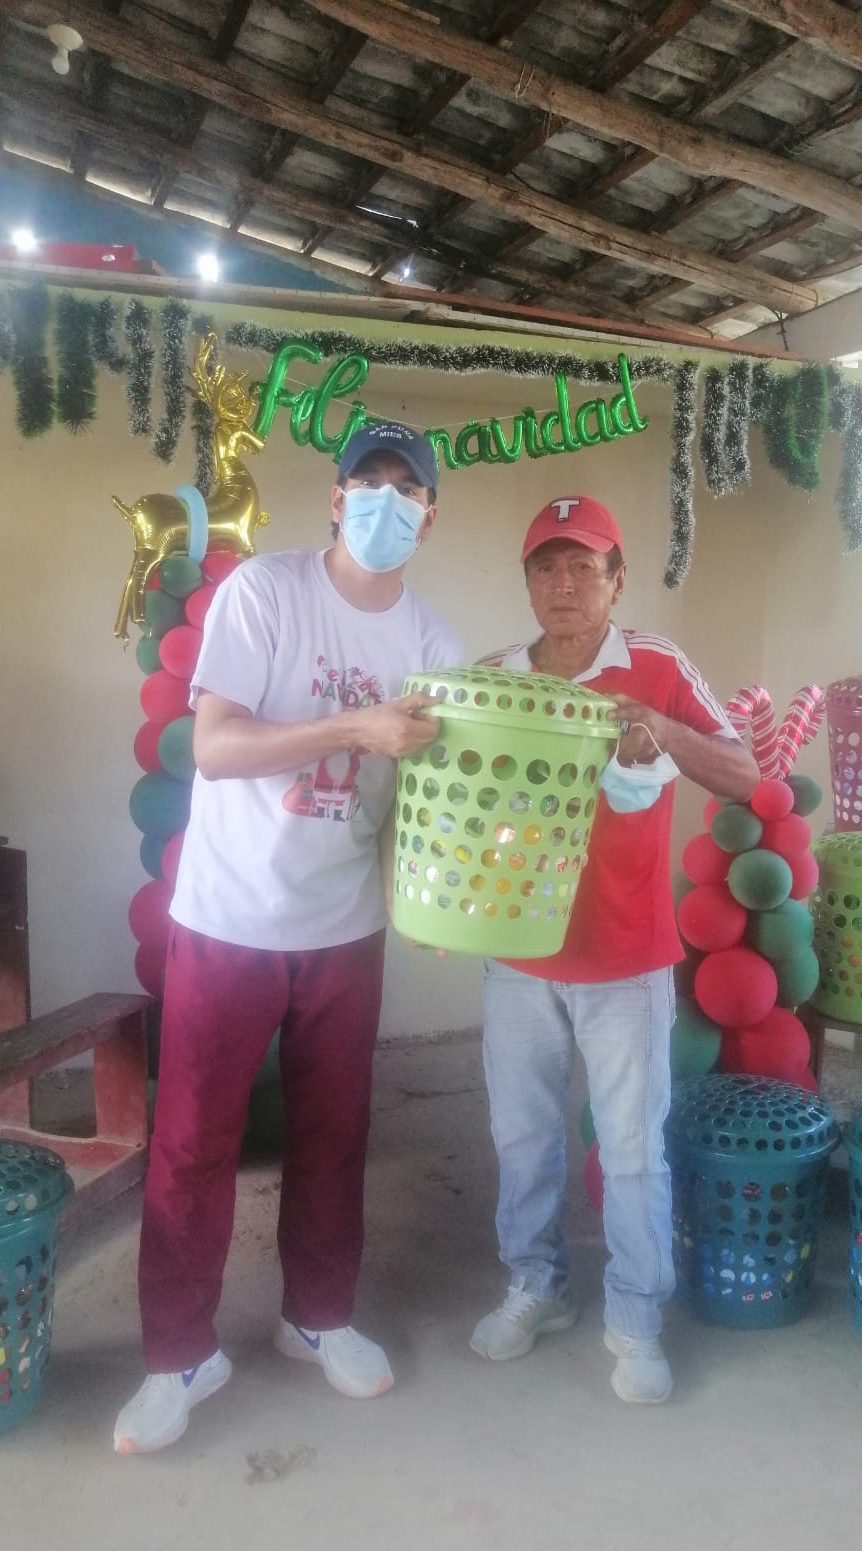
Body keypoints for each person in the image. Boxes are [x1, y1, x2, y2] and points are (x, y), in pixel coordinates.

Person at [115, 421, 464, 1454]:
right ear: (336, 497)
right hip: (229, 916)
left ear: (431, 517)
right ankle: (178, 1355)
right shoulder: (265, 593)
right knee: (192, 1141)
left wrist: (437, 896)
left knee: (334, 1133)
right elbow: (215, 746)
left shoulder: (434, 643)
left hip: (345, 925)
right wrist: (354, 727)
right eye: (370, 481)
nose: (387, 500)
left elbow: (431, 794)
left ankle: (317, 1315)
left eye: (409, 488)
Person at [471, 495, 759, 1404]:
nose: (564, 584)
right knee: (523, 1137)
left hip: (626, 957)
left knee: (632, 1147)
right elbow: (464, 809)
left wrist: (661, 727)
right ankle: (537, 1286)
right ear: (527, 583)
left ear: (617, 580)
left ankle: (636, 1318)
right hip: (517, 955)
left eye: (583, 566)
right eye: (546, 567)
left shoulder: (657, 664)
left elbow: (746, 772)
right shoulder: (494, 676)